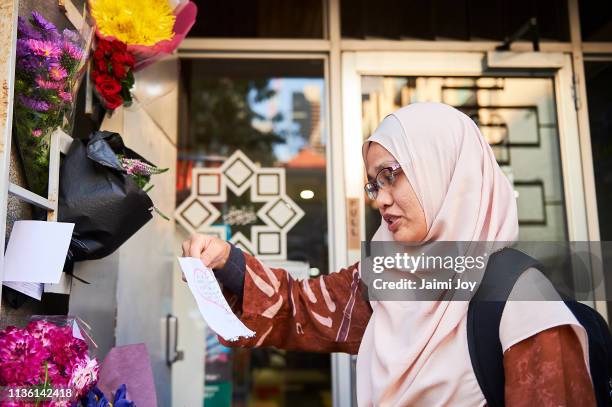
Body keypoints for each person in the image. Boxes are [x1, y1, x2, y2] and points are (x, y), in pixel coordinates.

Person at [182, 102, 596, 406]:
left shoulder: (521, 300)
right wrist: (226, 261)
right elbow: (301, 307)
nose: (380, 199)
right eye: (373, 184)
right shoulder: (388, 277)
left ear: (445, 169)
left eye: (390, 175)